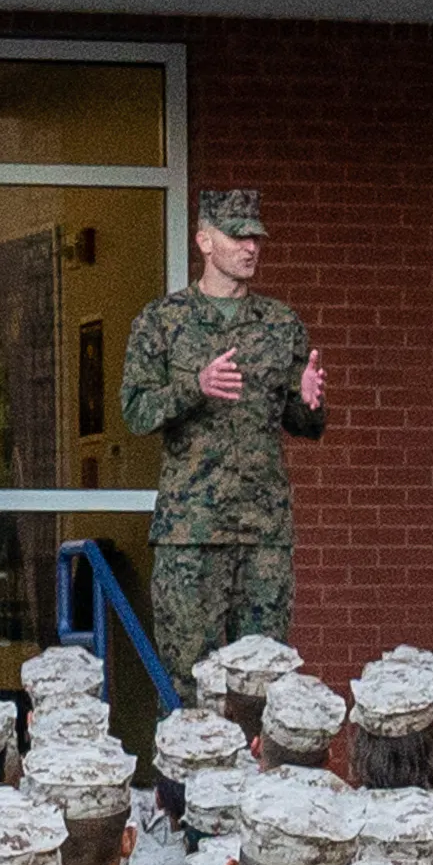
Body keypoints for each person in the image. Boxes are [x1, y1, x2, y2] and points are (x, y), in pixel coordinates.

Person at [121, 188, 330, 680]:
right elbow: (135, 411)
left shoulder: (281, 324)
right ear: (204, 241)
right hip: (191, 532)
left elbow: (306, 426)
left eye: (256, 237)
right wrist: (194, 387)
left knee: (264, 681)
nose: (250, 247)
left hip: (264, 533)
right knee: (188, 680)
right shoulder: (163, 321)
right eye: (237, 236)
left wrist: (308, 400)